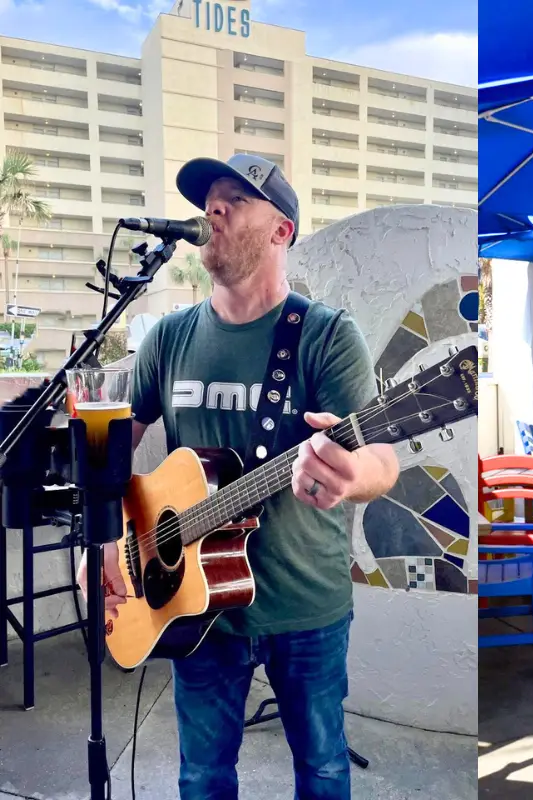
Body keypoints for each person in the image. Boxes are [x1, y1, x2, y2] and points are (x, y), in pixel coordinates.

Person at [88, 154, 400, 799]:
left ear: (281, 230)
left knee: (322, 770)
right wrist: (107, 544)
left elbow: (383, 459)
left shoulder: (325, 337)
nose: (214, 210)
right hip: (190, 607)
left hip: (304, 606)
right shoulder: (167, 340)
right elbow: (115, 452)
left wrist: (351, 476)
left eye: (235, 198)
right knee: (202, 777)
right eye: (210, 199)